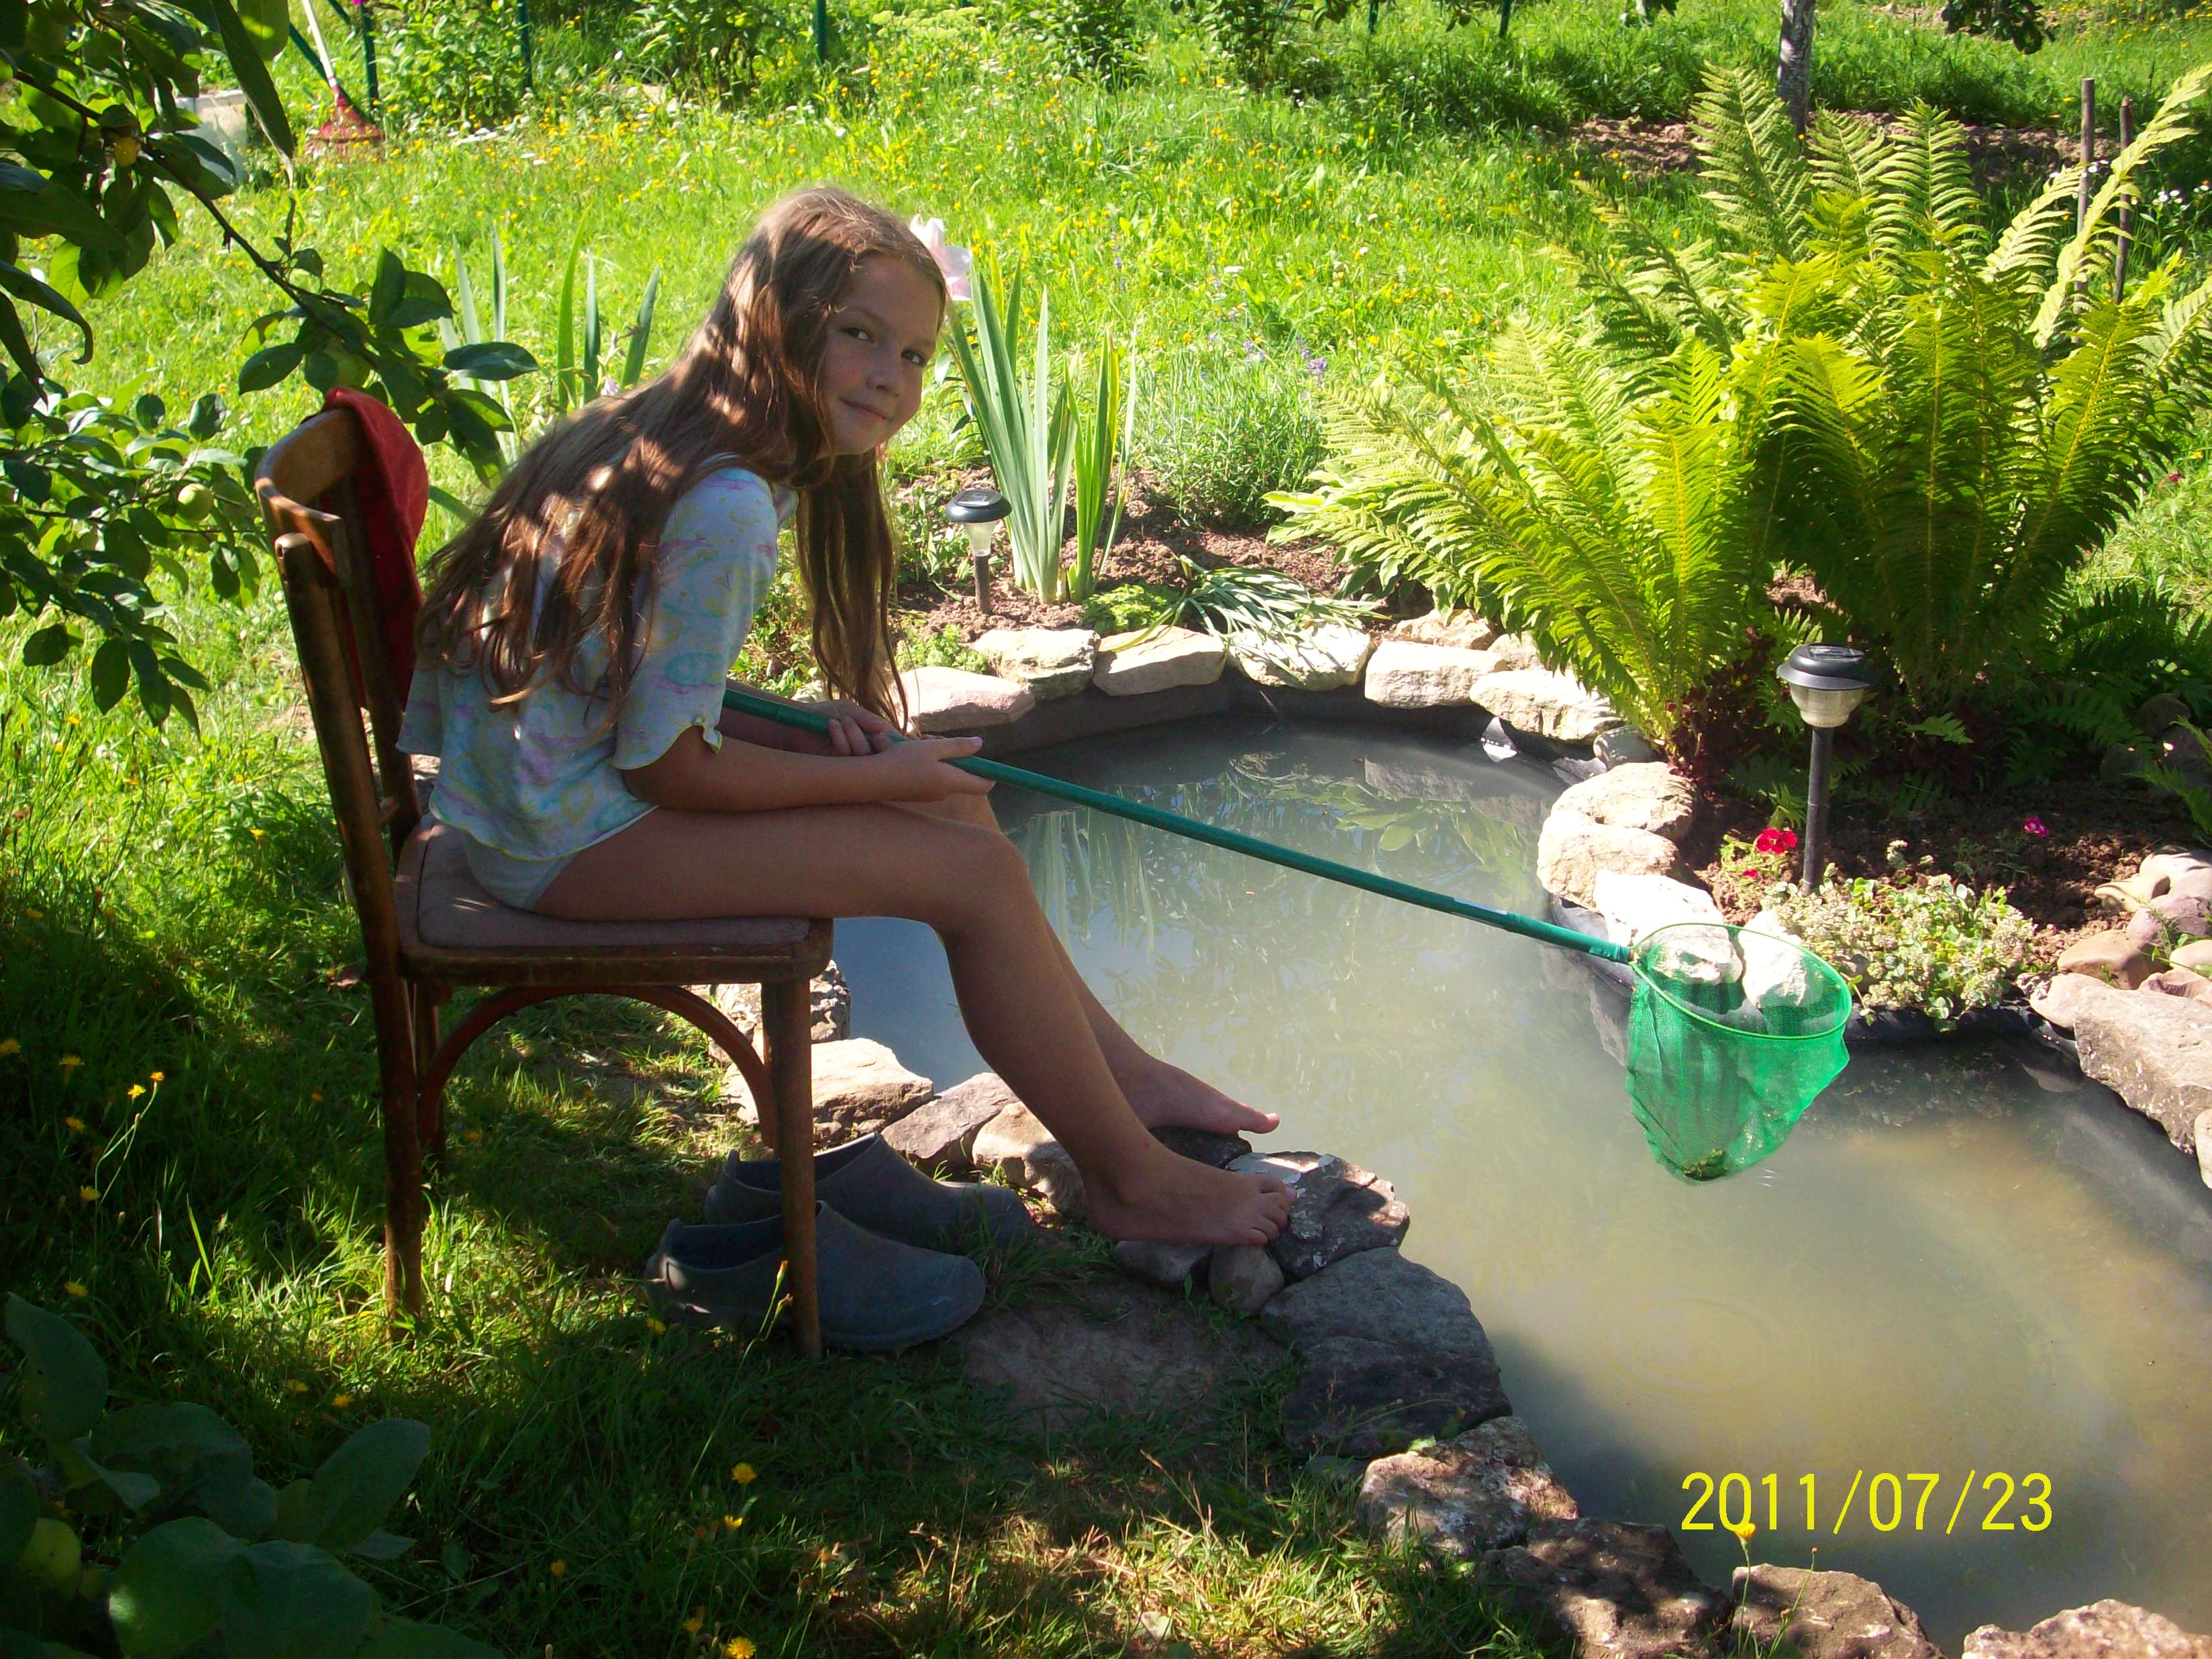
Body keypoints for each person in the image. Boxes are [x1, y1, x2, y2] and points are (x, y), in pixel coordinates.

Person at [403, 187, 1290, 1248]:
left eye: (914, 355)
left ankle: (1124, 1078)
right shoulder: (726, 502)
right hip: (561, 840)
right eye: (859, 335)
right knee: (975, 877)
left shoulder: (662, 426)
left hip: (540, 798)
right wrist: (872, 778)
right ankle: (1133, 1184)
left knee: (956, 811)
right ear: (775, 319)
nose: (890, 378)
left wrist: (801, 727)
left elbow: (633, 691)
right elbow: (667, 771)